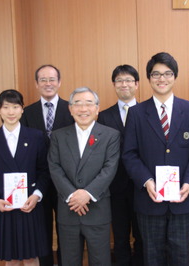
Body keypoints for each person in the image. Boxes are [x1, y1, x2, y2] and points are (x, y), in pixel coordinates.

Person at [122, 52, 189, 266]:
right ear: (149, 78)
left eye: (167, 73)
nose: (162, 79)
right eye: (156, 74)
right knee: (152, 255)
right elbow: (129, 154)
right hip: (149, 199)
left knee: (181, 255)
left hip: (183, 198)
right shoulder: (137, 113)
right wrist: (146, 181)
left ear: (175, 77)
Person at [0, 89, 50, 266]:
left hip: (29, 205)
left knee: (31, 257)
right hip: (4, 206)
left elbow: (45, 171)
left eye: (15, 107)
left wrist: (37, 195)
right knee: (12, 259)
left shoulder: (36, 136)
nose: (11, 112)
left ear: (22, 109)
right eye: (6, 107)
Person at [48, 87, 120, 266]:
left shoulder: (110, 135)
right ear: (70, 109)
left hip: (97, 209)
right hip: (68, 210)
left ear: (97, 109)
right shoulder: (58, 136)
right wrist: (73, 195)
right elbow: (54, 167)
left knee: (100, 260)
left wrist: (87, 194)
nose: (83, 109)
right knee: (69, 261)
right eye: (77, 104)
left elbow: (109, 168)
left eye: (89, 103)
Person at [20, 64, 74, 266]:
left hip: (66, 181)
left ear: (59, 82)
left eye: (52, 79)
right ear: (36, 84)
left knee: (66, 232)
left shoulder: (71, 109)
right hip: (37, 182)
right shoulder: (27, 113)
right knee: (41, 231)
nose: (48, 83)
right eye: (43, 79)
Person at [97, 65, 143, 266]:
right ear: (114, 85)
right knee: (120, 235)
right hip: (115, 186)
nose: (124, 84)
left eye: (128, 80)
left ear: (137, 84)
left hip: (143, 185)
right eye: (119, 80)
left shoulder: (146, 112)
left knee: (143, 235)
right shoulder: (105, 116)